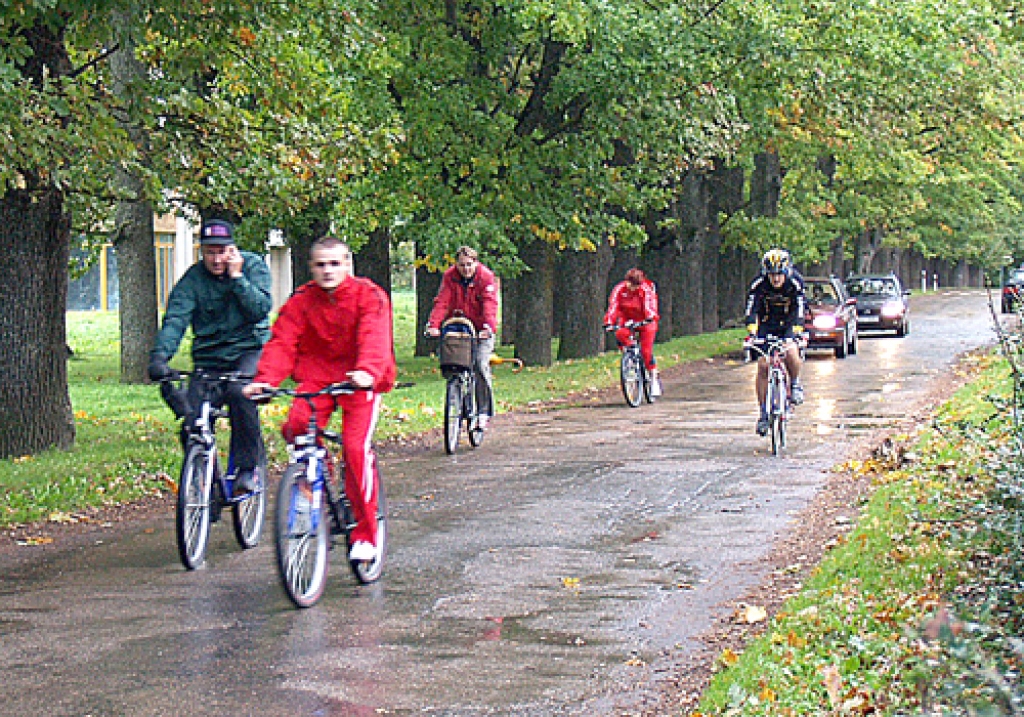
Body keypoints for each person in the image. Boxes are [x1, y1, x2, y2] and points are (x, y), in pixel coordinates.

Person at [243, 237, 396, 564]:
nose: (328, 270)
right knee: (297, 426)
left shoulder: (369, 295)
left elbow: (375, 336)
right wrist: (265, 382)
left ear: (347, 264)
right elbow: (282, 342)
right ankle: (314, 478)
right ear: (311, 267)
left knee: (356, 450)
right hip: (317, 378)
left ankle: (366, 534)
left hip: (359, 379)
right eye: (321, 264)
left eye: (335, 263)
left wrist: (368, 371)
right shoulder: (301, 301)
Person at [148, 219, 272, 494]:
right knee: (192, 424)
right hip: (209, 360)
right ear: (201, 252)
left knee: (241, 394)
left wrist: (238, 278)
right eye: (209, 252)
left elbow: (260, 309)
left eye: (221, 251)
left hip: (248, 350)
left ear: (232, 249)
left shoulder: (252, 267)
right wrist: (160, 357)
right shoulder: (193, 280)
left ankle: (247, 468)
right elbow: (176, 320)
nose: (216, 259)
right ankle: (207, 485)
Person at [425, 246, 499, 429]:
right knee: (453, 363)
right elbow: (442, 301)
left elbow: (490, 304)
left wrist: (488, 327)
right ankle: (456, 398)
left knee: (480, 365)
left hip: (481, 329)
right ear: (456, 265)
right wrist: (433, 325)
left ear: (476, 262)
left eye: (469, 264)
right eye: (461, 265)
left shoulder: (485, 277)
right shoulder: (450, 277)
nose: (465, 269)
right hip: (459, 326)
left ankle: (483, 411)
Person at [744, 248, 807, 436]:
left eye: (779, 274)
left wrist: (796, 332)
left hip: (789, 323)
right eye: (772, 275)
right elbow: (751, 311)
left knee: (791, 352)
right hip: (766, 324)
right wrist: (752, 332)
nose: (776, 279)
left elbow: (800, 309)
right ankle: (763, 413)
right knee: (763, 365)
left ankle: (795, 383)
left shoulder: (795, 283)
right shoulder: (758, 285)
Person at [604, 267, 661, 397]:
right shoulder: (619, 290)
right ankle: (629, 356)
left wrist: (650, 317)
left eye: (636, 286)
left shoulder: (645, 290)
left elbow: (649, 305)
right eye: (631, 284)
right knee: (620, 334)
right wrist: (609, 322)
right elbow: (614, 306)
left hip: (645, 321)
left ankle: (653, 377)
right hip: (628, 319)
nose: (633, 288)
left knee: (646, 351)